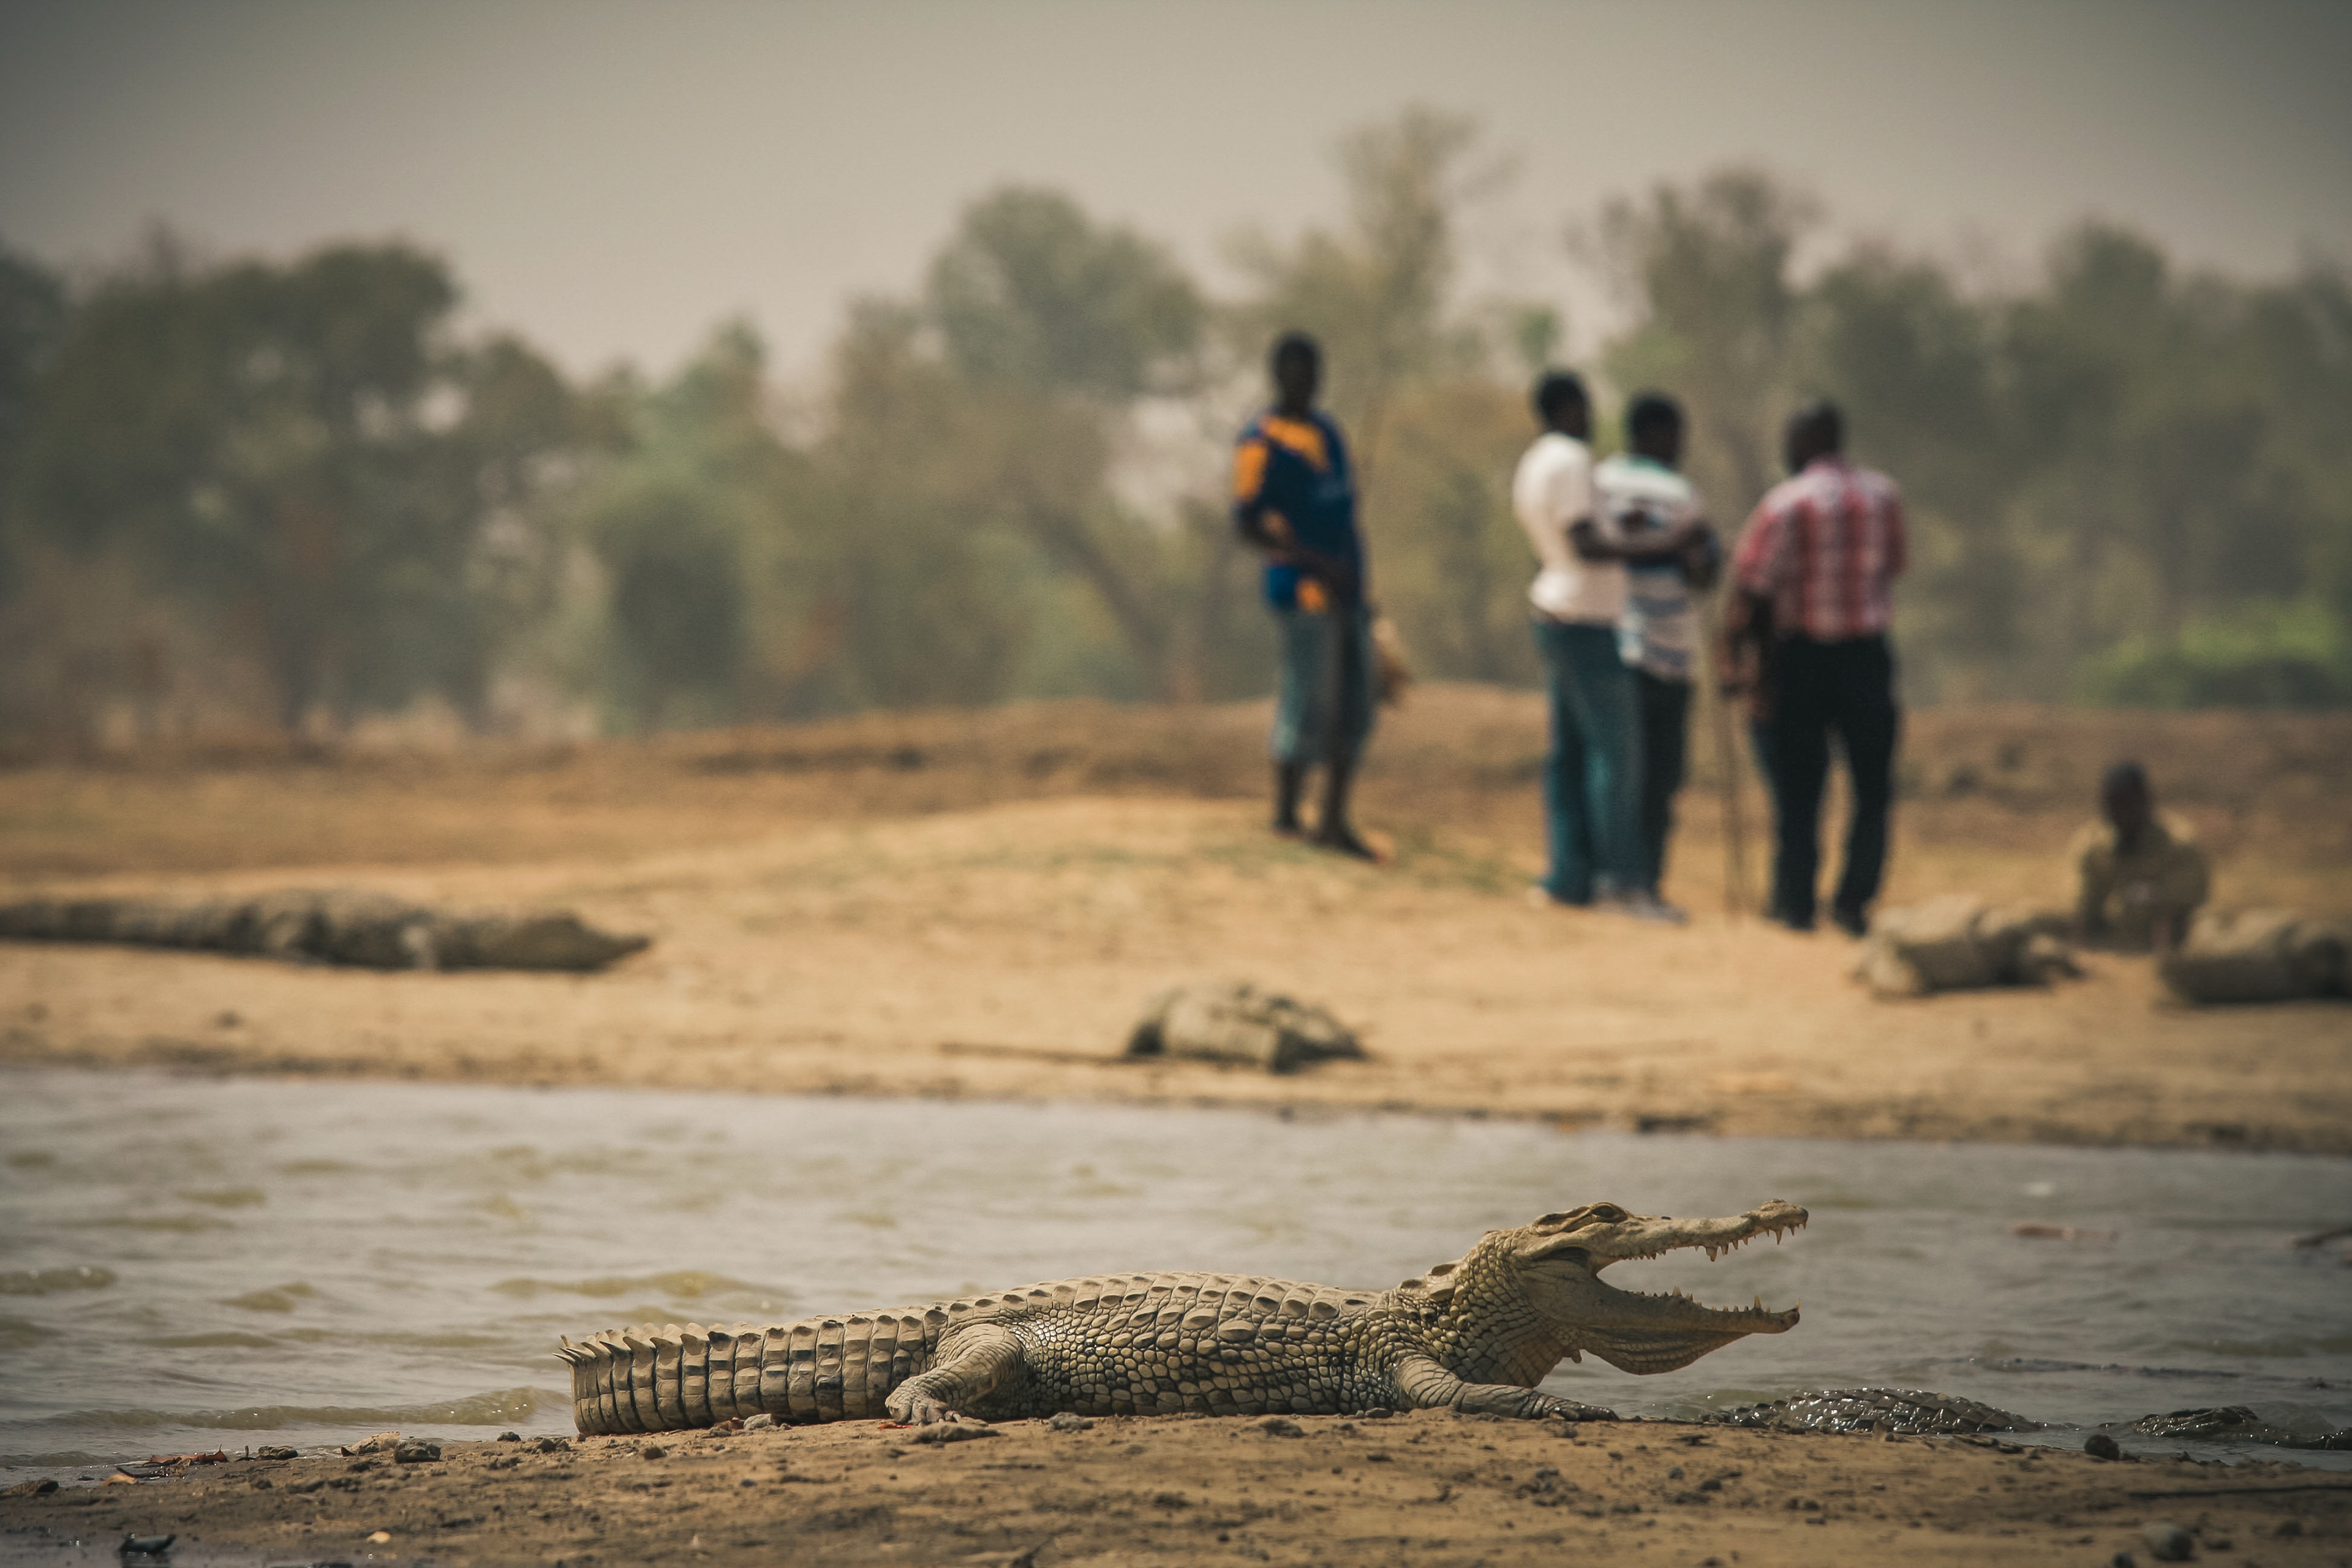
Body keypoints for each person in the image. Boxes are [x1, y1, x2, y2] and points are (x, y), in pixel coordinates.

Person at [1512, 371, 1695, 921]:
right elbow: (1587, 543)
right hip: (1585, 618)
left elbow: (1586, 528)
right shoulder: (1571, 458)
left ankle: (1569, 878)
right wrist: (1666, 541)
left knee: (1568, 756)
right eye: (1586, 407)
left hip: (1555, 607)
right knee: (1619, 755)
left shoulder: (1536, 460)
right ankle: (1624, 882)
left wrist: (1623, 523)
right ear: (1570, 408)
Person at [1725, 400, 1905, 936]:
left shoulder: (1787, 505)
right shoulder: (1884, 497)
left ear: (1804, 443)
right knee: (1872, 785)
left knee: (1801, 787)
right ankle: (1853, 900)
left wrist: (1739, 658)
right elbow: (1895, 567)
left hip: (1801, 656)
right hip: (1867, 655)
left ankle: (1796, 902)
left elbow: (1753, 589)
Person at [1232, 332, 1378, 860]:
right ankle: (1287, 815)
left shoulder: (1329, 432)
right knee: (1307, 703)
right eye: (1298, 370)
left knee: (1355, 707)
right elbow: (1247, 523)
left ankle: (1334, 820)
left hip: (1349, 592)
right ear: (1279, 374)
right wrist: (1313, 563)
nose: (1308, 380)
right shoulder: (1261, 440)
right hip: (1302, 592)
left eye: (1314, 370)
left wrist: (1358, 582)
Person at [1595, 393, 1719, 908]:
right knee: (1660, 778)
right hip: (1669, 651)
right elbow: (1703, 574)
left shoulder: (1598, 483)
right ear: (1658, 435)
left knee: (1617, 770)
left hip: (1614, 641)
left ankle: (1607, 874)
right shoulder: (1680, 494)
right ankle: (1642, 881)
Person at [2071, 761, 2209, 952]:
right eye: (2112, 805)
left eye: (2126, 804)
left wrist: (2144, 894)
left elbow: (2182, 903)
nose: (2118, 814)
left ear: (2146, 801)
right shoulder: (2094, 844)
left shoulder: (2178, 843)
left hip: (2172, 945)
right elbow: (2084, 906)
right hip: (2115, 942)